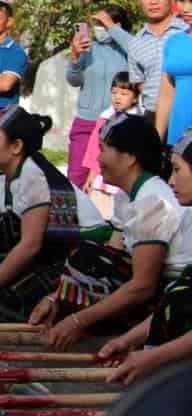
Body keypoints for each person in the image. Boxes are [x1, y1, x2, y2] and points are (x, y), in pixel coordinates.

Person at [27, 114, 188, 351]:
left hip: (171, 298)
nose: (98, 158)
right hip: (163, 294)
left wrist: (78, 320)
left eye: (103, 150)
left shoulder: (153, 201)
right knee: (86, 258)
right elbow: (115, 252)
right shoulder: (129, 196)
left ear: (130, 157)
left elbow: (143, 286)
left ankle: (112, 333)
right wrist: (56, 298)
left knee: (88, 256)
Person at [0, 105, 110, 322]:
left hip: (81, 261)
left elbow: (30, 247)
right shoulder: (3, 182)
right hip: (50, 256)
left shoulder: (33, 177)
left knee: (1, 300)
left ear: (16, 146)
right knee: (2, 229)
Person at [97, 127, 192, 385]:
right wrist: (128, 340)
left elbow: (148, 287)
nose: (171, 181)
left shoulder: (154, 199)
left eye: (178, 170)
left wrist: (153, 357)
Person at [66, 6, 132, 187]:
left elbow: (138, 52)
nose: (99, 28)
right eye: (96, 24)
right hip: (86, 122)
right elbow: (74, 79)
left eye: (102, 24)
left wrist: (112, 29)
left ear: (117, 25)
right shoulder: (89, 49)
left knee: (108, 181)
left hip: (116, 122)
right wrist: (74, 56)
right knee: (76, 177)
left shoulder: (128, 49)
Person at [82, 73, 144, 214]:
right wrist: (92, 174)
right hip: (102, 178)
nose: (117, 97)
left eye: (124, 93)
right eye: (114, 92)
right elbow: (94, 149)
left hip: (124, 181)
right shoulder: (105, 118)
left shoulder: (137, 122)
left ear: (135, 97)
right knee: (99, 213)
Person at [128, 0, 187, 120]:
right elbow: (139, 82)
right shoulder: (136, 42)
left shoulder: (186, 31)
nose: (153, 2)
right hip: (152, 115)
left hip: (185, 114)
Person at [156, 0, 192, 144]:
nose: (185, 8)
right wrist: (156, 140)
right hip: (178, 138)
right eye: (182, 0)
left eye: (191, 2)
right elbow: (166, 94)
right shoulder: (174, 42)